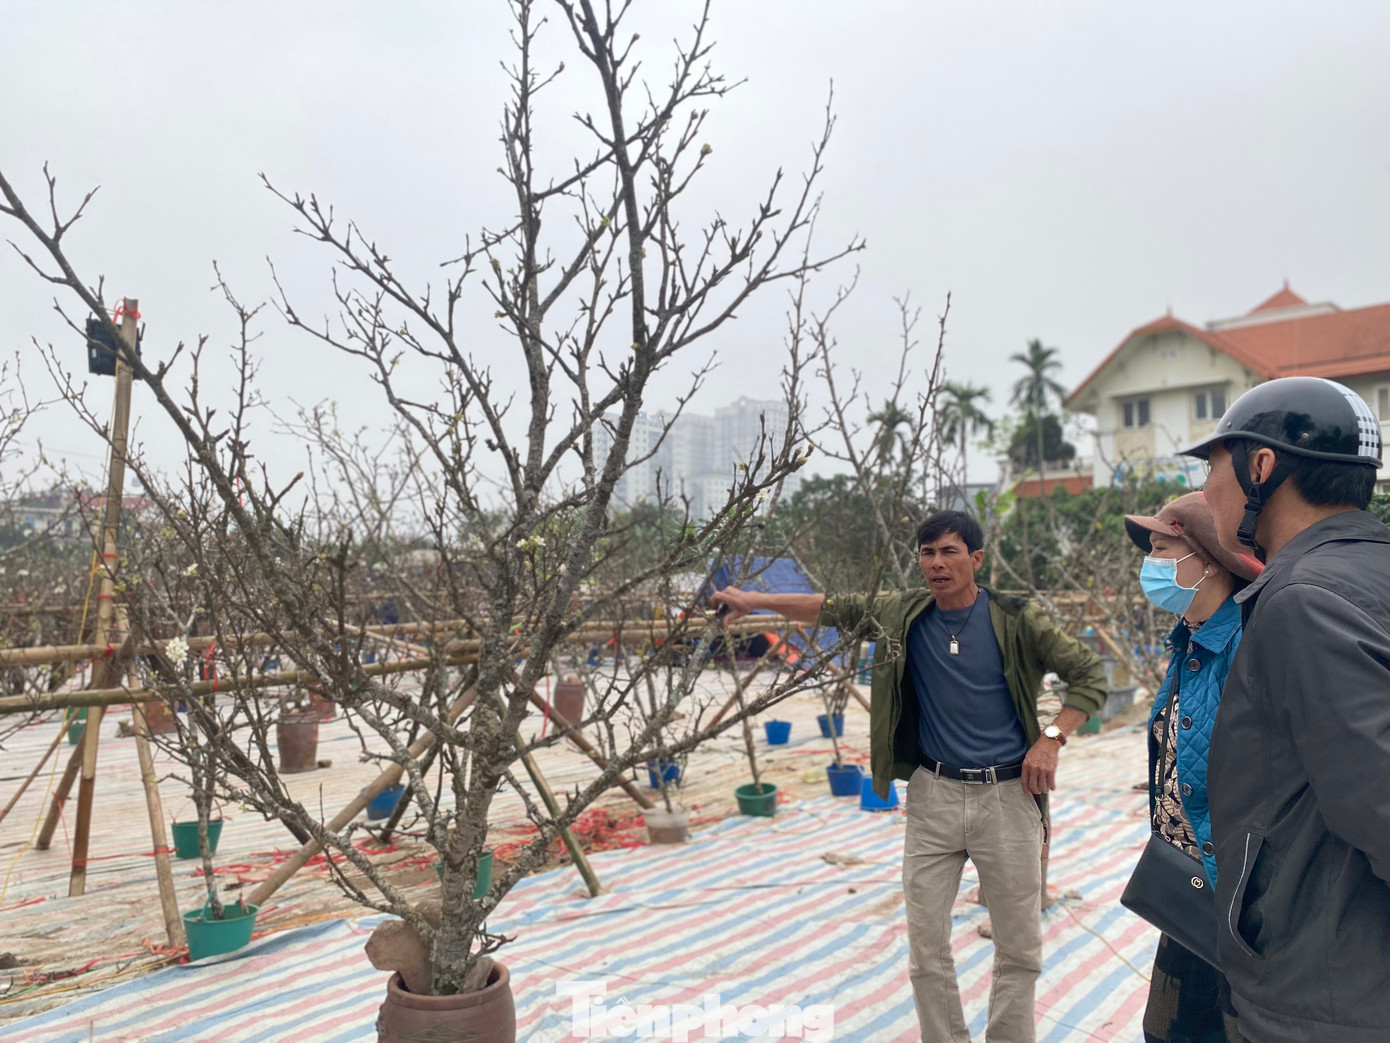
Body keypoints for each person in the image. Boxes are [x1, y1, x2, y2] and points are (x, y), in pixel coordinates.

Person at [709, 510, 1105, 1043]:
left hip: (1008, 797)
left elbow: (1089, 675)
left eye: (949, 551)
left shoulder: (1015, 618)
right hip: (933, 797)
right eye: (927, 553)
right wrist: (753, 600)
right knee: (926, 947)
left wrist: (1051, 740)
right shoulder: (903, 613)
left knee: (1019, 947)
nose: (937, 563)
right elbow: (829, 608)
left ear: (976, 559)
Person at [1179, 376, 1390, 1043]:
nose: (1208, 485)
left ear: (1261, 467)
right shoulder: (1366, 571)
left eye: (1214, 462)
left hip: (1326, 994)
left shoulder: (1305, 602)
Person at [1123, 492, 1261, 1043]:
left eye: (1162, 548)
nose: (1150, 564)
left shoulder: (1249, 644)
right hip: (1191, 884)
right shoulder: (1189, 642)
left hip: (1237, 894)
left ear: (1206, 557)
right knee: (1169, 1031)